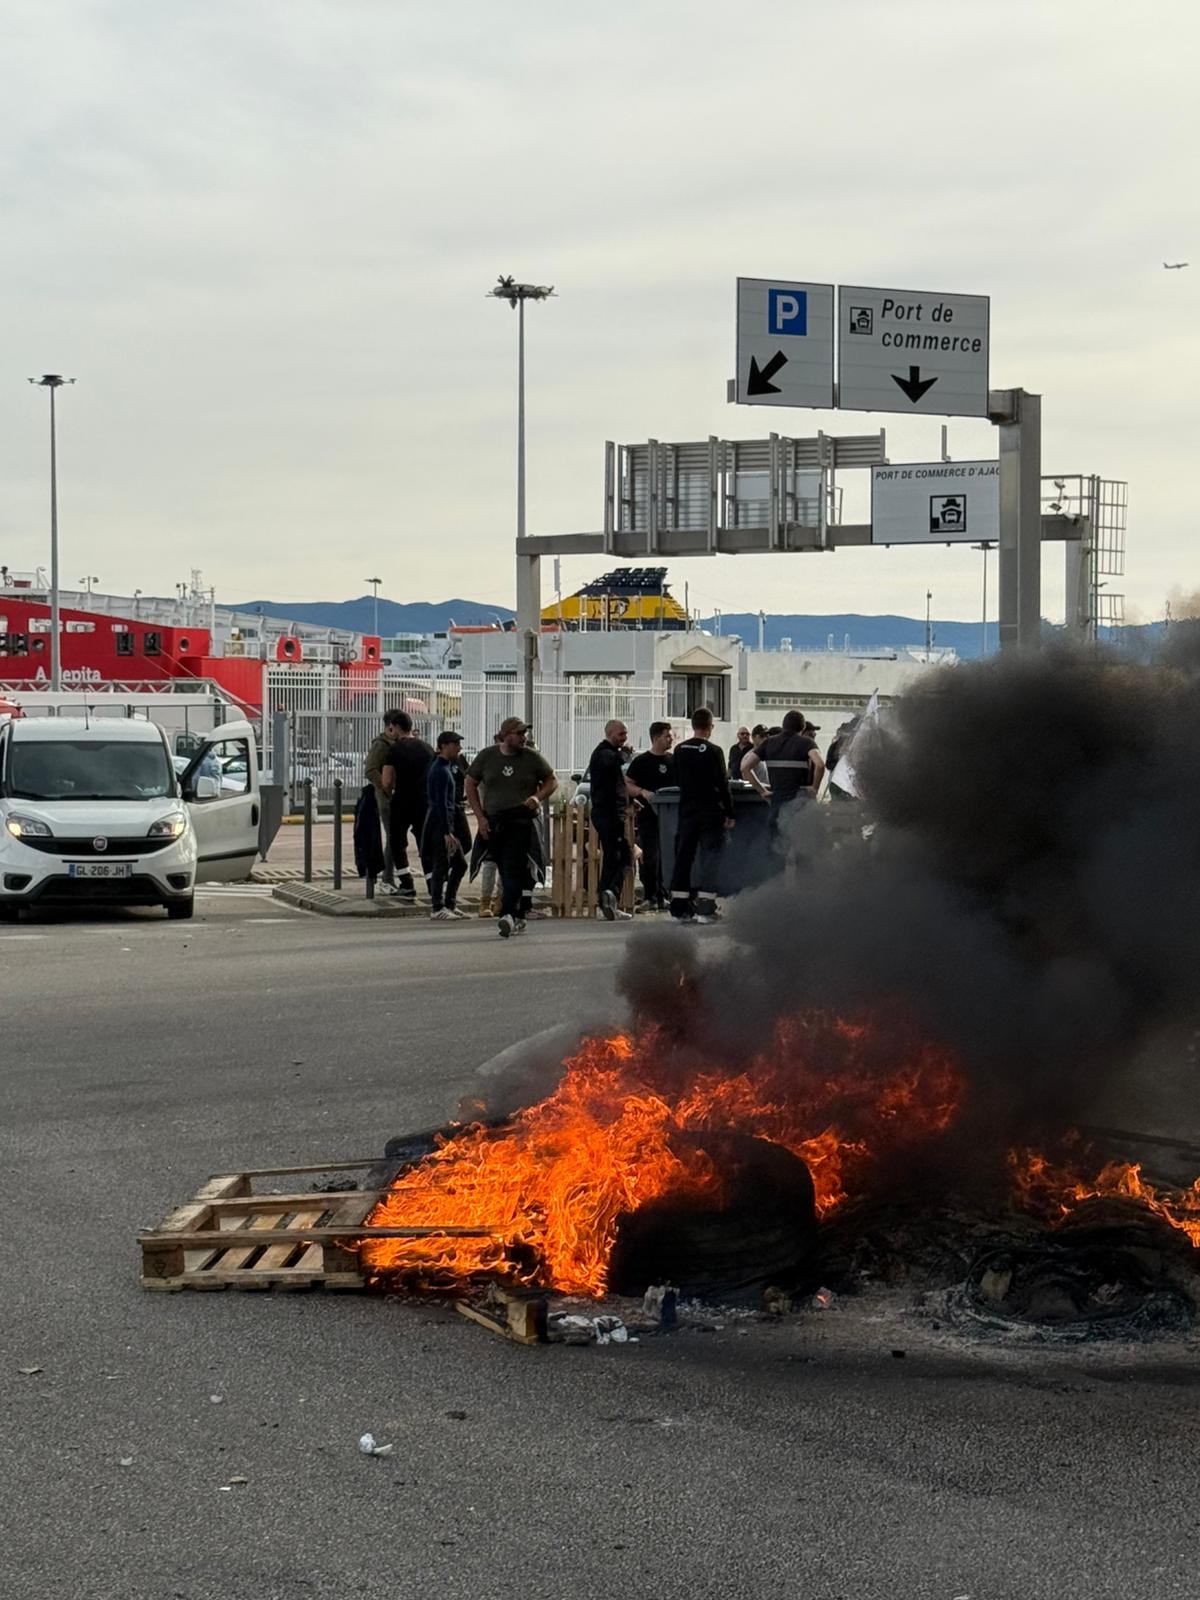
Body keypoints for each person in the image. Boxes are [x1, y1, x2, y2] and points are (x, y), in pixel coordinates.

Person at [466, 716, 558, 938]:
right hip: (495, 821)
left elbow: (551, 780)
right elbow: (470, 783)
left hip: (521, 820)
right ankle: (517, 914)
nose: (523, 738)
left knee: (512, 867)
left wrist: (537, 797)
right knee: (501, 865)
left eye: (524, 733)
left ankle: (508, 913)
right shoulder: (487, 756)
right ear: (506, 735)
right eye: (519, 733)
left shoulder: (532, 758)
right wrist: (480, 817)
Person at [669, 707, 734, 925]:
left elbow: (677, 779)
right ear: (710, 727)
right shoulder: (714, 751)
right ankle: (705, 910)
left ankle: (679, 909)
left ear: (693, 725)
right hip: (710, 811)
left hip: (687, 810)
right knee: (710, 857)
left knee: (683, 857)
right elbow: (722, 784)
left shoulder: (679, 750)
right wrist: (729, 811)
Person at [742, 709, 825, 837]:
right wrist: (814, 788)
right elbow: (820, 764)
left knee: (776, 841)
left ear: (784, 725)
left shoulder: (768, 743)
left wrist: (762, 791)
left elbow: (745, 767)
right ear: (802, 727)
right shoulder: (806, 743)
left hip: (776, 801)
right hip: (799, 803)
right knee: (799, 843)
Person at [380, 712, 434, 902]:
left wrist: (389, 794)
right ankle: (432, 884)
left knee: (397, 842)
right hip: (424, 802)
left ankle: (407, 884)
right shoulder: (427, 748)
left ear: (395, 726)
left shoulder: (394, 750)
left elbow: (386, 781)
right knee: (424, 843)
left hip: (402, 801)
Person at [586, 719, 634, 922]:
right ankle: (607, 898)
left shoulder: (611, 753)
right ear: (609, 733)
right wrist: (626, 754)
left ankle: (609, 899)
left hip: (613, 813)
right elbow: (613, 761)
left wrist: (630, 801)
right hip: (608, 814)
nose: (624, 738)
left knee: (620, 856)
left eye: (626, 734)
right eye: (620, 734)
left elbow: (616, 782)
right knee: (618, 856)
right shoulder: (603, 752)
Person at [625, 720, 675, 910]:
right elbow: (627, 783)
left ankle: (665, 895)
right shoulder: (642, 761)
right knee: (651, 856)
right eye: (667, 736)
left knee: (668, 856)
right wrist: (642, 792)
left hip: (670, 818)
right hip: (649, 816)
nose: (671, 739)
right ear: (656, 738)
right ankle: (650, 896)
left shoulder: (674, 761)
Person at [421, 731, 471, 920]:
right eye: (455, 744)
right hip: (439, 824)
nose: (459, 748)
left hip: (447, 823)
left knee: (460, 864)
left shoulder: (447, 767)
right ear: (443, 746)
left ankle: (449, 903)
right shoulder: (439, 770)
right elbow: (440, 803)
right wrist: (446, 831)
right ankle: (437, 907)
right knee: (441, 865)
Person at [363, 710, 404, 890]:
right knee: (393, 838)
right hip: (387, 798)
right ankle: (387, 878)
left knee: (396, 838)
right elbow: (370, 770)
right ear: (391, 727)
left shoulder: (397, 743)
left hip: (397, 797)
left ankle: (391, 876)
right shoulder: (381, 745)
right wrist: (386, 787)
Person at [476, 733, 502, 917]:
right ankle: (485, 901)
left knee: (507, 863)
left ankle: (500, 900)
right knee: (490, 862)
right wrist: (481, 816)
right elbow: (477, 787)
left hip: (509, 818)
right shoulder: (487, 762)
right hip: (492, 817)